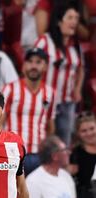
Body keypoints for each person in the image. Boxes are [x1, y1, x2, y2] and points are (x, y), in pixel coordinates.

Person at [34, 2, 85, 146]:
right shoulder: (44, 41)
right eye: (70, 18)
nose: (74, 22)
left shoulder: (75, 46)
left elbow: (80, 68)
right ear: (58, 21)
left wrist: (77, 89)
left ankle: (62, 167)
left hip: (67, 101)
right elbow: (32, 66)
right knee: (44, 139)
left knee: (64, 141)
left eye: (76, 18)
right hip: (45, 100)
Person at [2, 48, 56, 175]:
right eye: (30, 61)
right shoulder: (10, 89)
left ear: (45, 67)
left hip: (39, 154)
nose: (33, 66)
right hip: (13, 152)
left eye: (38, 62)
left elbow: (50, 125)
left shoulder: (50, 92)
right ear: (24, 66)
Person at [69, 112, 96, 198]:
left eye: (92, 128)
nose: (89, 133)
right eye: (84, 131)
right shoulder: (75, 154)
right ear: (78, 134)